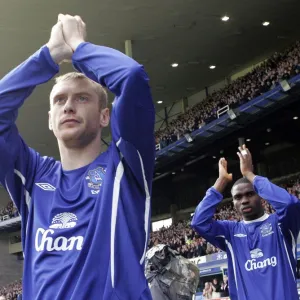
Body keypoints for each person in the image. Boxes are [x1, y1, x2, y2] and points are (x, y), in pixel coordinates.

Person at [0, 14, 155, 300]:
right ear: (50, 120)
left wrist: (78, 46)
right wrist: (49, 56)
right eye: (60, 100)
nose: (69, 106)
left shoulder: (126, 165)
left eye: (82, 98)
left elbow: (131, 77)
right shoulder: (33, 175)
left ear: (104, 116)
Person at [191, 145, 300, 300]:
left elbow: (290, 204)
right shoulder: (230, 233)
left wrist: (250, 174)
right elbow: (198, 222)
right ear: (234, 202)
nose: (244, 200)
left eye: (250, 194)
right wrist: (220, 183)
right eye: (238, 197)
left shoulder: (281, 225)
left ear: (261, 195)